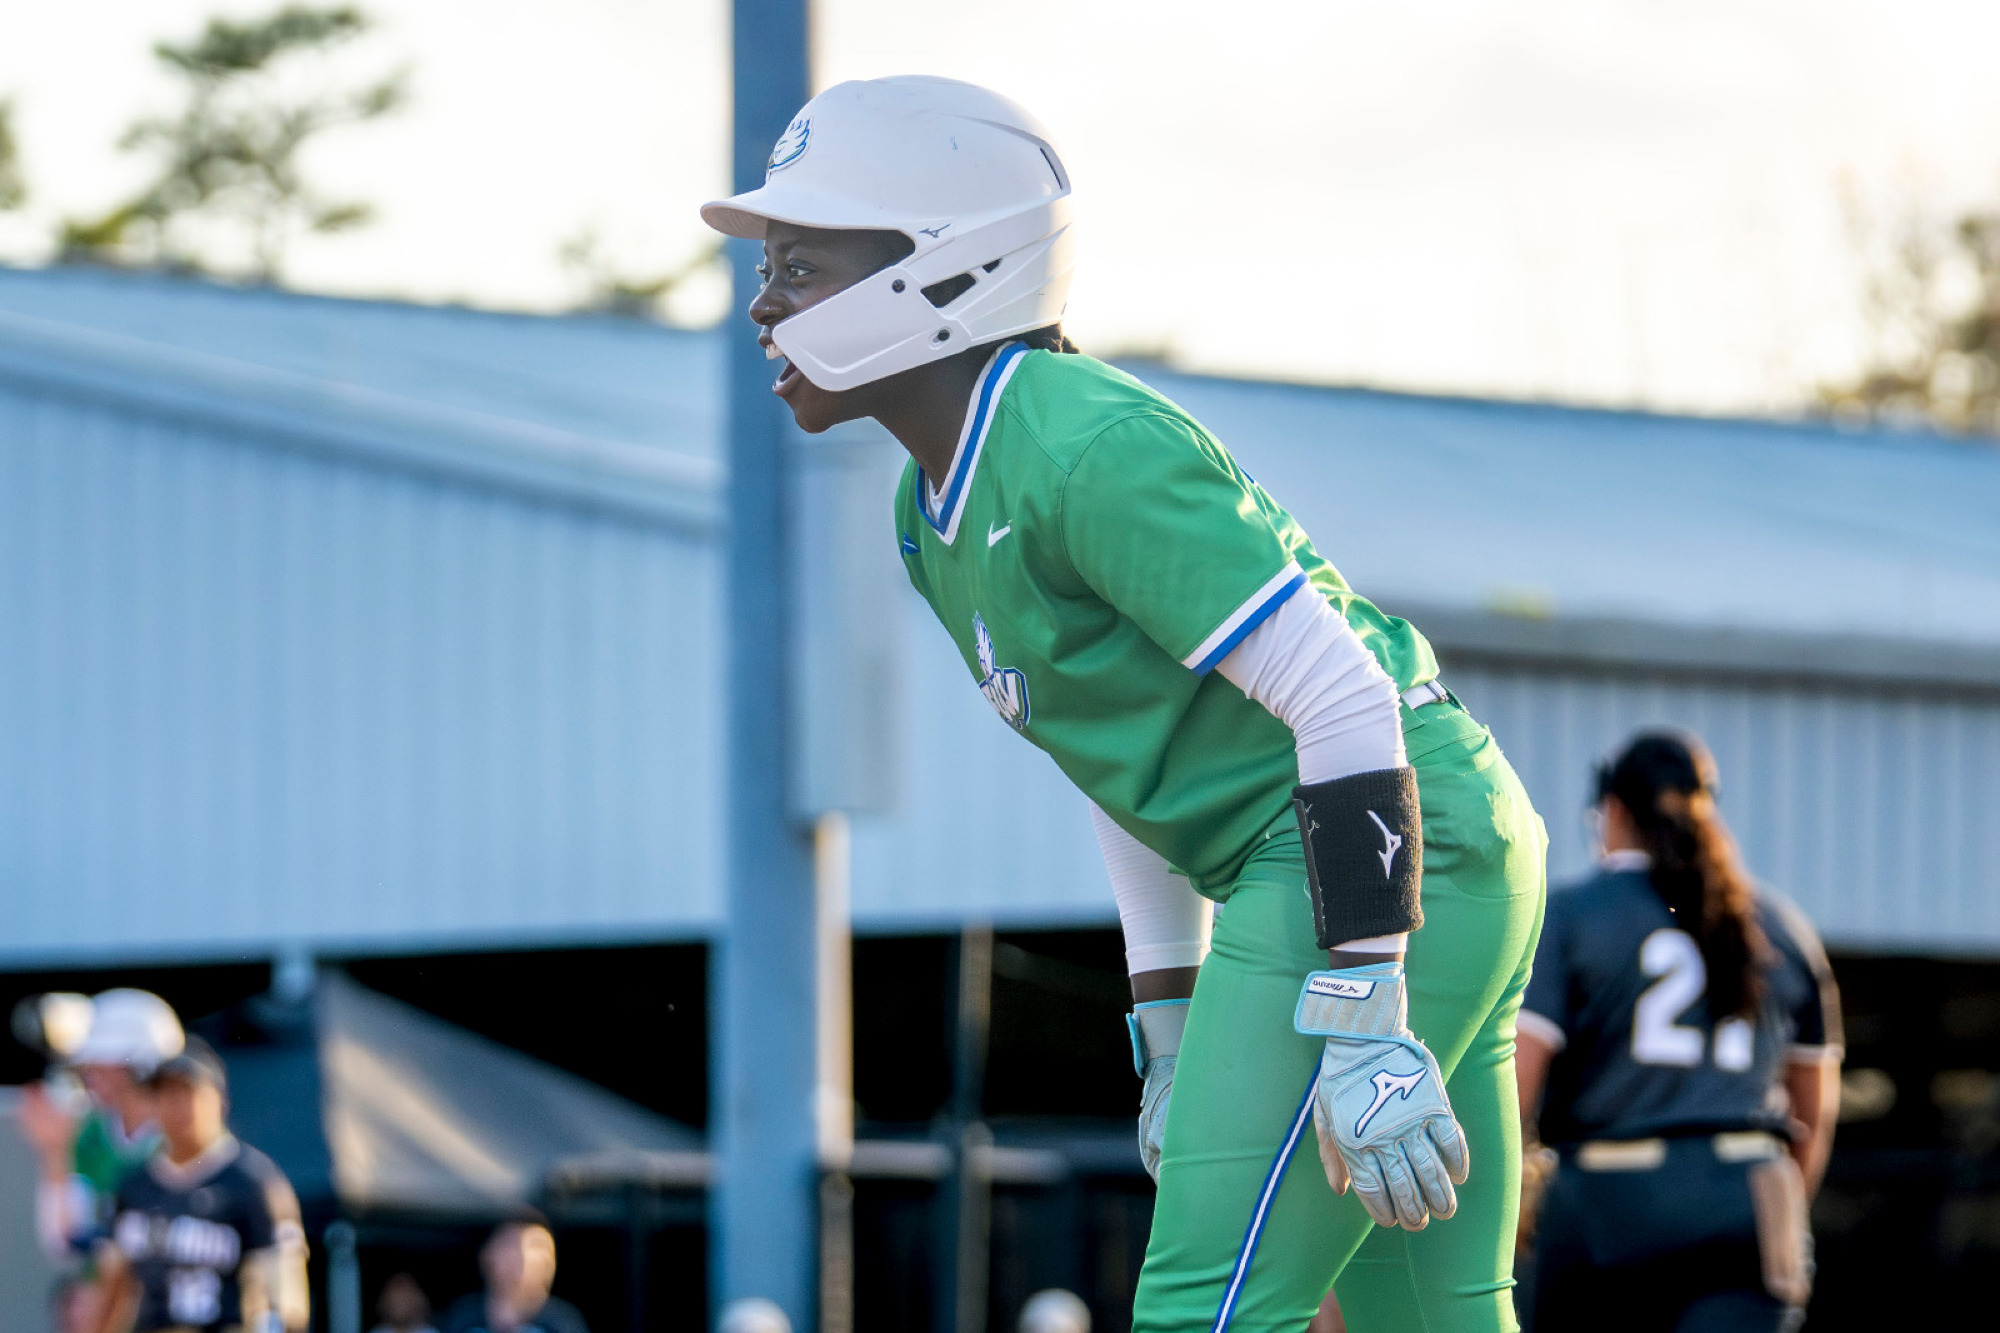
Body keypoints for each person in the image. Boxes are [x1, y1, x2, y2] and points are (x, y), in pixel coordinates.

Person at [701, 77, 1547, 1333]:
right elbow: (1115, 762)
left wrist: (1365, 1007)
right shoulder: (929, 508)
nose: (762, 305)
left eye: (798, 263)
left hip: (1362, 848)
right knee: (1428, 1322)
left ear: (940, 269)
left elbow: (1347, 702)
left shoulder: (1076, 442)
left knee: (1203, 1307)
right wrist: (1166, 1016)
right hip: (1422, 840)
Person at [1514, 732, 1843, 1333]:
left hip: (1607, 1201)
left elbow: (1516, 1088)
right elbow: (1813, 1114)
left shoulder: (1571, 913)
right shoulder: (1783, 926)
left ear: (1612, 812)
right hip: (1746, 1192)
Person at [87, 1038, 309, 1333]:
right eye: (167, 1093)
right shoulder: (134, 1187)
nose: (179, 1106)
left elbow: (286, 1302)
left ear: (220, 1101)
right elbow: (113, 1289)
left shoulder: (253, 1183)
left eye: (189, 1092)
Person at [437, 1218, 588, 1333]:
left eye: (538, 1246)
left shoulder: (562, 1322)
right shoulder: (462, 1316)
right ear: (486, 1255)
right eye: (511, 1245)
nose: (523, 1257)